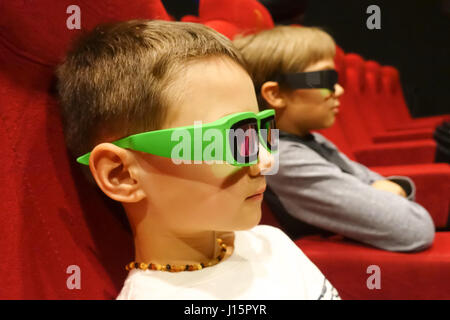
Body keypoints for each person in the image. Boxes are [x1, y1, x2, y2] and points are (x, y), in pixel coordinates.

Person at [56, 20, 340, 300]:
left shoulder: (271, 242)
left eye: (261, 130)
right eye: (235, 137)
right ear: (122, 174)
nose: (265, 161)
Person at [233, 26, 435, 252]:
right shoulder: (281, 158)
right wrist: (384, 193)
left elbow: (374, 183)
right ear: (276, 95)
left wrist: (388, 191)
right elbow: (415, 228)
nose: (338, 90)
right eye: (325, 79)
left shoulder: (311, 140)